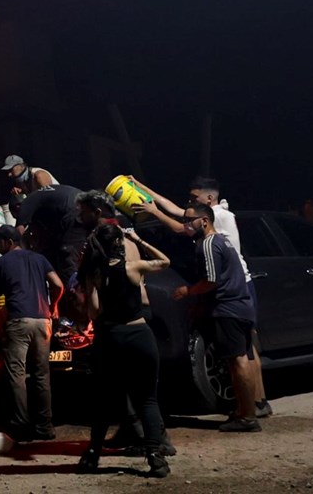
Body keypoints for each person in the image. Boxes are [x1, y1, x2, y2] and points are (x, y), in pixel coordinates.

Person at [130, 175, 272, 418]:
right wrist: (140, 186)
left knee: (242, 354)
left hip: (234, 288)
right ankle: (257, 402)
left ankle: (252, 406)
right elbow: (175, 209)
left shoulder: (217, 222)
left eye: (194, 199)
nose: (188, 204)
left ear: (208, 199)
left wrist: (153, 213)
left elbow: (178, 225)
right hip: (239, 286)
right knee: (247, 350)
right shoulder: (214, 215)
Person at [76, 224, 172, 478]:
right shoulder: (133, 267)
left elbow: (94, 312)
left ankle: (93, 454)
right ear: (119, 242)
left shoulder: (93, 274)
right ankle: (154, 456)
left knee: (104, 400)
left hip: (110, 337)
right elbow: (164, 261)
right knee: (147, 399)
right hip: (139, 335)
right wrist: (138, 240)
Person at [173, 203, 261, 432]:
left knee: (237, 361)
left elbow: (211, 280)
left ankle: (248, 417)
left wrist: (188, 292)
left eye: (190, 220)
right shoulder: (223, 241)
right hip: (241, 307)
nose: (186, 225)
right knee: (241, 359)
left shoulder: (209, 244)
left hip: (228, 310)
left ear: (204, 220)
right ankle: (245, 409)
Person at [0, 226, 63, 443]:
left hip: (18, 321)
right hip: (42, 322)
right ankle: (45, 427)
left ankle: (21, 425)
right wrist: (53, 305)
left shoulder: (0, 263)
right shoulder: (39, 259)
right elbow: (57, 284)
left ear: (9, 241)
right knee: (41, 375)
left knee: (17, 375)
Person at [14, 184, 87, 288]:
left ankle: (76, 290)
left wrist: (22, 257)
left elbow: (18, 234)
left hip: (74, 209)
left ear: (17, 207)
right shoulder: (41, 203)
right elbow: (34, 235)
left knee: (67, 254)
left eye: (15, 215)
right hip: (79, 204)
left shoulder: (25, 205)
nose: (16, 217)